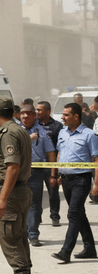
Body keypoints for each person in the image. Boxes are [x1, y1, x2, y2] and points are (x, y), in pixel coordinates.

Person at [0, 96, 34, 274]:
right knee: (20, 237)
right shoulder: (20, 130)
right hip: (20, 190)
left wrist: (2, 198)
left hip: (12, 192)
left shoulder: (8, 133)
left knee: (11, 240)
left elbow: (13, 167)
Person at [50, 103, 98, 263]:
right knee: (79, 213)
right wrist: (57, 173)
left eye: (66, 115)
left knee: (73, 214)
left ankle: (66, 251)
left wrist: (96, 184)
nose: (62, 117)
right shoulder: (63, 133)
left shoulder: (89, 135)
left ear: (76, 116)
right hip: (66, 179)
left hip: (81, 179)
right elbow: (59, 154)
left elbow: (96, 160)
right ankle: (90, 247)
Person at [19, 104, 56, 247]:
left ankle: (33, 234)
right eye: (22, 114)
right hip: (19, 171)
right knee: (20, 204)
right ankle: (24, 231)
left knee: (35, 204)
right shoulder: (16, 131)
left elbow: (51, 153)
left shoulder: (43, 132)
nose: (25, 116)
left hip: (36, 172)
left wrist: (53, 174)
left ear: (35, 116)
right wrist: (28, 138)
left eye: (28, 114)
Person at [36, 100, 64, 226]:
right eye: (36, 110)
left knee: (53, 192)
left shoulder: (57, 126)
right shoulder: (34, 125)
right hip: (36, 164)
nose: (37, 112)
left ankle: (55, 216)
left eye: (40, 110)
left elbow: (59, 148)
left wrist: (57, 168)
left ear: (48, 111)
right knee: (36, 194)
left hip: (51, 165)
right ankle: (37, 217)